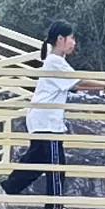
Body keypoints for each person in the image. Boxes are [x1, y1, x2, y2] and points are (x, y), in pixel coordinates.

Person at [9, 24, 81, 198]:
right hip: (48, 121)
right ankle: (54, 208)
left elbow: (74, 86)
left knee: (35, 163)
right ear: (60, 39)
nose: (74, 42)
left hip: (41, 119)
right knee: (56, 167)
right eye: (71, 38)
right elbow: (77, 83)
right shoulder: (55, 62)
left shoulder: (55, 61)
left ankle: (3, 189)